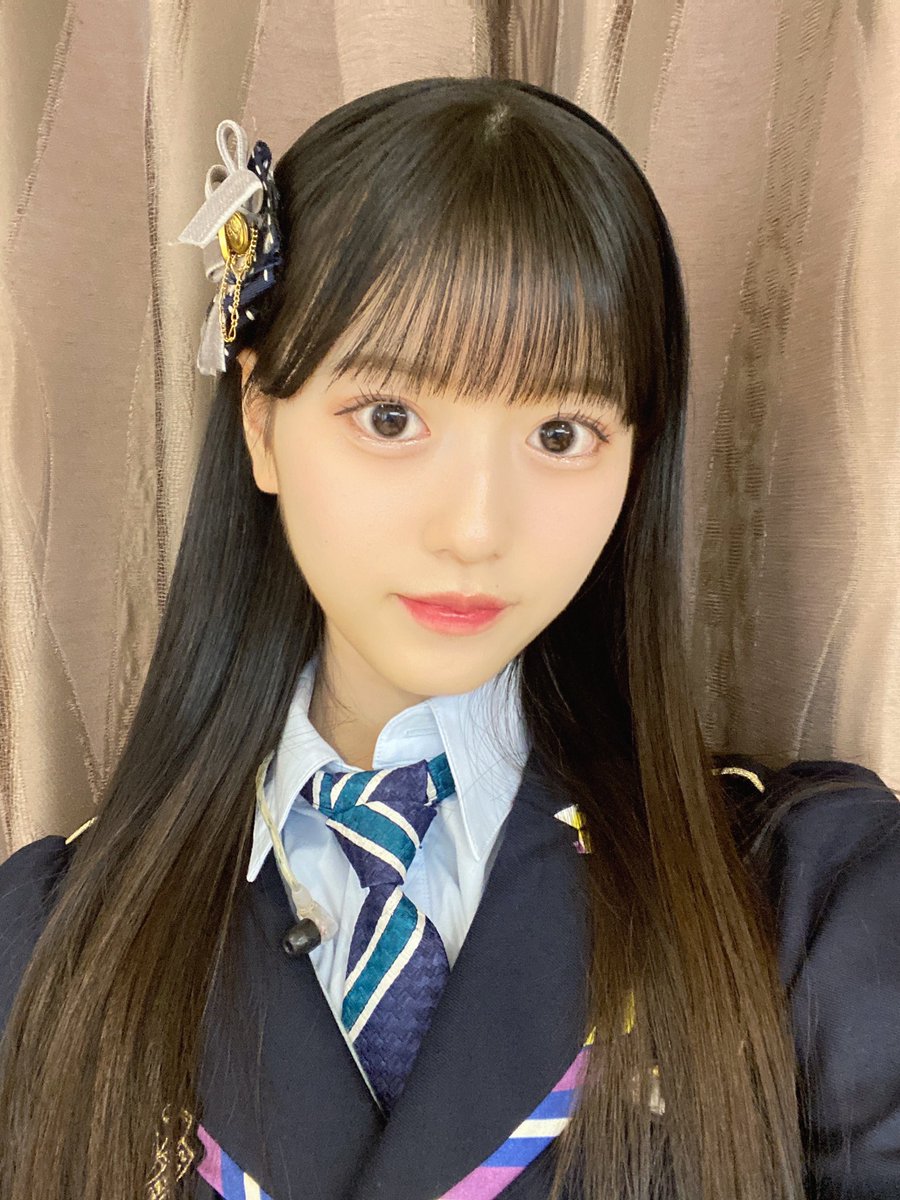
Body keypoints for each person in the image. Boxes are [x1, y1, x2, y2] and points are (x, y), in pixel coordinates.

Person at [0, 75, 898, 1200]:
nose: (476, 529)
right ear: (262, 423)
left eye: (561, 433)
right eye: (391, 419)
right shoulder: (51, 950)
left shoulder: (805, 904)